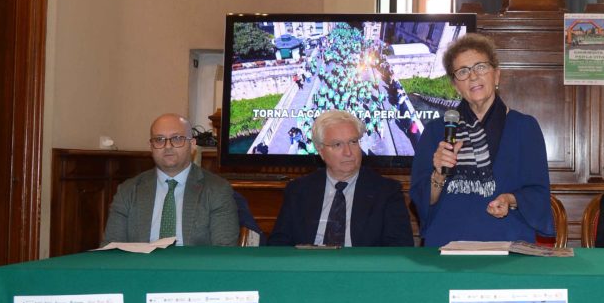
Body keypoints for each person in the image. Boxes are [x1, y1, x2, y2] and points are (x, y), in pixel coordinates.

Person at [410, 33, 553, 246]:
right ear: (455, 85)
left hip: (507, 242)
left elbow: (538, 195)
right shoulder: (435, 131)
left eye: (481, 67)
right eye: (463, 71)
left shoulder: (524, 128)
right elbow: (422, 200)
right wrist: (438, 174)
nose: (473, 76)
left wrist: (510, 200)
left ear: (496, 75)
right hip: (447, 245)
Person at [268, 110, 413, 247]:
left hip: (362, 264)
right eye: (337, 144)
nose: (348, 152)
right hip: (309, 263)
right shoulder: (298, 190)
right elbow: (278, 245)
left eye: (353, 142)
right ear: (320, 150)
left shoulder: (387, 192)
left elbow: (399, 248)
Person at [102, 113, 239, 246]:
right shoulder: (128, 191)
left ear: (192, 145)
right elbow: (111, 248)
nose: (168, 146)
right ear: (151, 147)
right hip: (142, 262)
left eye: (177, 138)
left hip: (193, 262)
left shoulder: (217, 190)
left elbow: (224, 250)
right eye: (159, 140)